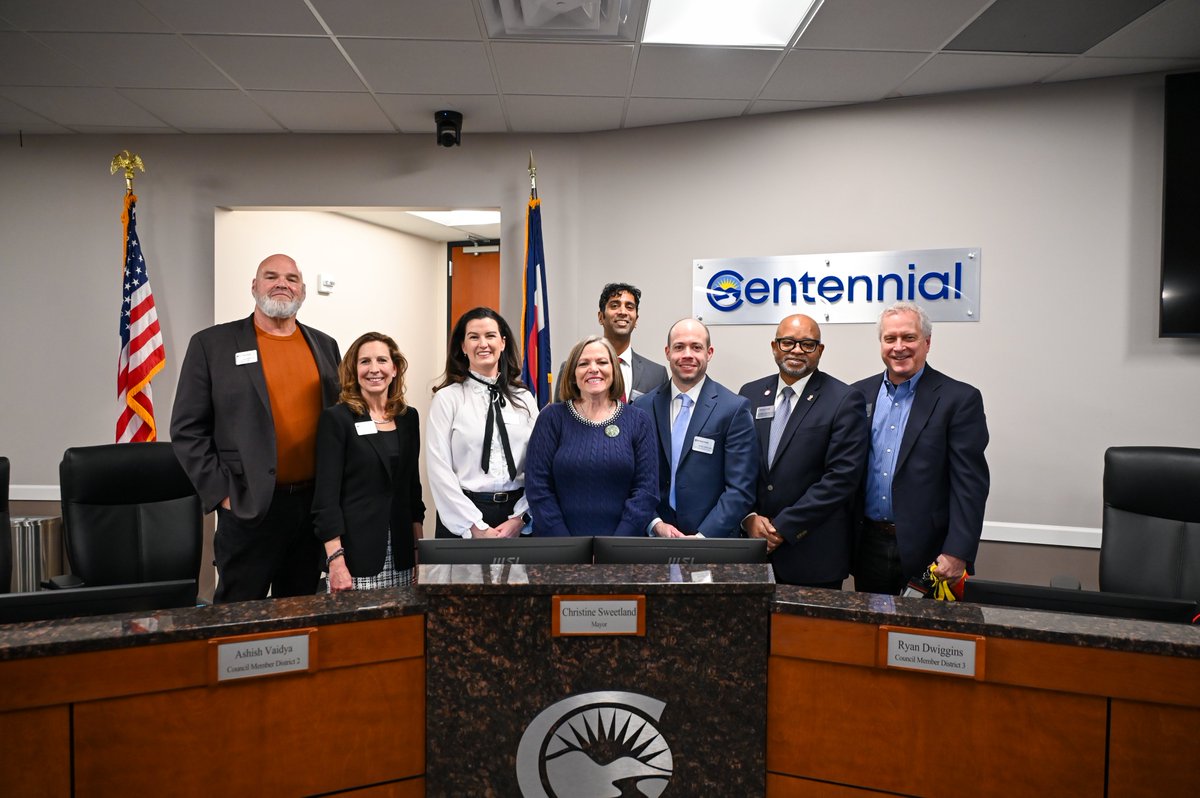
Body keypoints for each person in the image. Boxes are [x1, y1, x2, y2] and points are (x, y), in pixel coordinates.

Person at [172, 253, 340, 602]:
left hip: (310, 509)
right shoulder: (212, 345)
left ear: (303, 290)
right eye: (271, 276)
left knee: (300, 612)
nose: (282, 284)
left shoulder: (325, 346)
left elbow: (337, 421)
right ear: (254, 286)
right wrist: (223, 494)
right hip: (248, 507)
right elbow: (188, 430)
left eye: (291, 278)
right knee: (237, 617)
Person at [851, 301, 990, 595]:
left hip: (930, 552)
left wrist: (957, 550)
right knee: (871, 631)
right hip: (867, 547)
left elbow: (970, 484)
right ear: (881, 344)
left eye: (908, 337)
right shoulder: (856, 395)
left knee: (922, 640)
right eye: (890, 339)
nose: (899, 347)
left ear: (927, 342)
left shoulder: (959, 399)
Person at [738, 315, 869, 588]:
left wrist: (783, 527)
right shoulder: (749, 394)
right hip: (753, 550)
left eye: (807, 344)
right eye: (788, 342)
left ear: (820, 351)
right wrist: (748, 517)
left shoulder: (844, 399)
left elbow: (842, 478)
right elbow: (737, 465)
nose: (797, 350)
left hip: (812, 556)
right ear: (775, 346)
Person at [313, 333, 424, 591]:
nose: (374, 369)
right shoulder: (337, 419)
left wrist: (419, 550)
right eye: (365, 362)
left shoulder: (409, 418)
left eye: (382, 360)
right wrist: (335, 561)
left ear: (394, 369)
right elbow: (325, 501)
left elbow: (412, 492)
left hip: (403, 555)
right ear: (354, 370)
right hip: (354, 558)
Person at [633, 318, 757, 537]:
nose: (687, 354)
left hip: (712, 543)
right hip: (653, 540)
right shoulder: (642, 407)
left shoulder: (733, 408)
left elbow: (740, 489)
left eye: (696, 347)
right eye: (679, 347)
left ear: (709, 353)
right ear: (667, 352)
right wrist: (654, 523)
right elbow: (634, 477)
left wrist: (703, 537)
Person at [525, 336, 658, 536]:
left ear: (614, 370)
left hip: (622, 549)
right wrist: (568, 547)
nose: (593, 369)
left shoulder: (638, 420)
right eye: (583, 363)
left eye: (602, 362)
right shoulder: (551, 418)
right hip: (559, 548)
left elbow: (646, 491)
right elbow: (537, 488)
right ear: (572, 373)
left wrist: (615, 546)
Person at [427, 308, 538, 539]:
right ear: (463, 346)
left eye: (490, 335)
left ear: (503, 342)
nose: (483, 343)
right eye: (474, 337)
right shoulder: (448, 398)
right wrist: (475, 526)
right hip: (463, 518)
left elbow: (539, 464)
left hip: (515, 517)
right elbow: (439, 469)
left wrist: (520, 518)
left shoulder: (524, 398)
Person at [555, 282, 668, 402]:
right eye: (614, 306)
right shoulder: (573, 368)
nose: (623, 312)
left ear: (636, 320)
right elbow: (558, 417)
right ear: (601, 317)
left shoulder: (657, 374)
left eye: (629, 307)